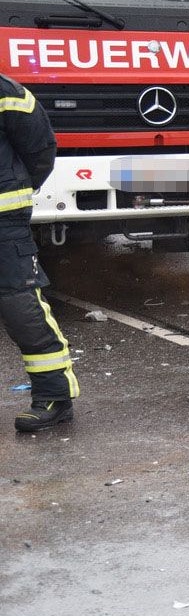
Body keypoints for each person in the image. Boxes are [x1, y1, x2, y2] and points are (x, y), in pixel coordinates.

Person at [0, 74, 78, 432]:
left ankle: (53, 397)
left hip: (3, 224)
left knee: (22, 310)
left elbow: (40, 150)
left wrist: (15, 191)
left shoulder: (6, 93)